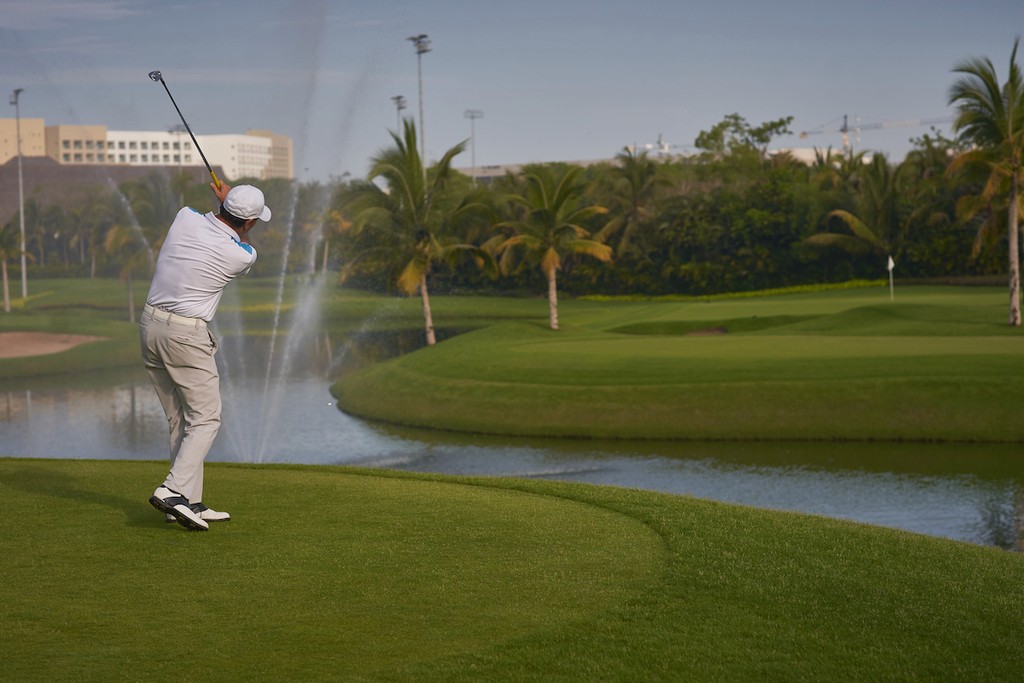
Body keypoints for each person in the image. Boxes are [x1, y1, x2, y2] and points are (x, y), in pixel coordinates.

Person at [142, 181, 271, 531]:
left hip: (150, 325)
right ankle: (171, 491)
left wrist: (225, 201)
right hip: (185, 335)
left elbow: (208, 219)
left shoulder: (184, 217)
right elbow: (239, 242)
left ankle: (188, 503)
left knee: (180, 419)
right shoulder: (242, 254)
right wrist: (232, 206)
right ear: (251, 223)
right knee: (206, 418)